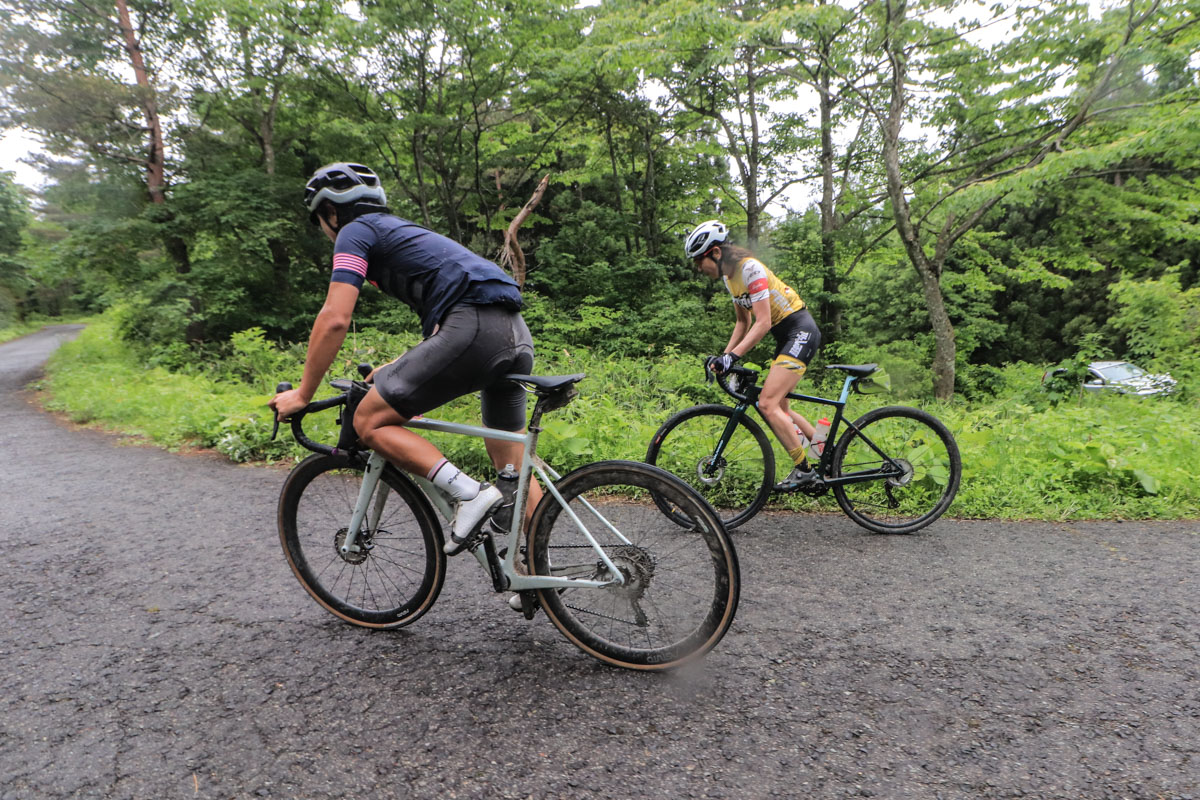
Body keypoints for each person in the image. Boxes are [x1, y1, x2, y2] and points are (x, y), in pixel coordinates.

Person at [270, 162, 542, 555]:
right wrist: (399, 364)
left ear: (330, 212)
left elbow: (334, 319)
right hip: (513, 333)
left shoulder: (354, 231)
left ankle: (469, 495)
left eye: (321, 221)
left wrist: (303, 393)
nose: (326, 230)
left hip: (473, 329)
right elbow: (454, 309)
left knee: (368, 420)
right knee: (512, 459)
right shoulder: (401, 232)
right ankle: (538, 570)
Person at [685, 219, 822, 491]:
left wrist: (732, 358)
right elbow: (742, 323)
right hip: (786, 336)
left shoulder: (751, 269)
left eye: (699, 261)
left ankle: (804, 470)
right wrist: (723, 357)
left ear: (715, 252)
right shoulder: (729, 278)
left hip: (800, 330)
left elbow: (763, 322)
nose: (698, 269)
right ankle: (827, 454)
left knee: (767, 404)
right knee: (781, 408)